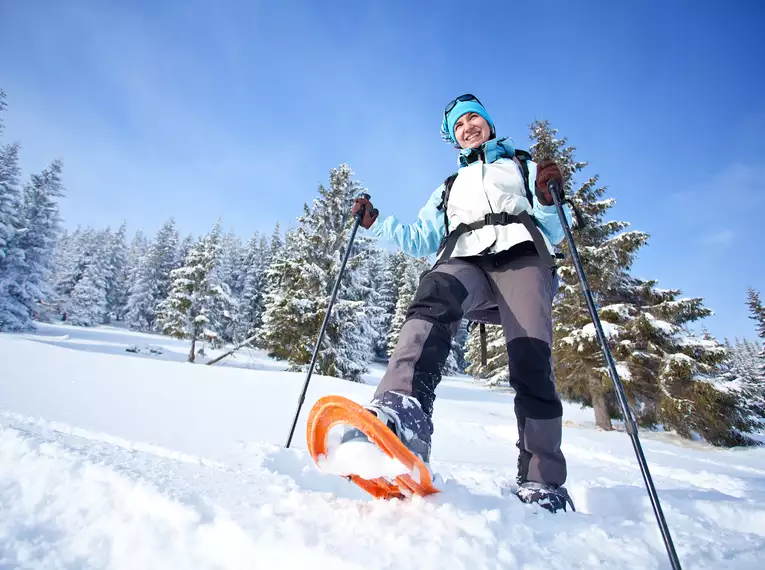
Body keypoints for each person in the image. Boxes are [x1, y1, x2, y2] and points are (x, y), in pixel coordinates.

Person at [347, 94, 574, 513]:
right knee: (435, 292)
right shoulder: (449, 187)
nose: (468, 127)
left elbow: (557, 229)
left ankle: (542, 479)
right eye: (459, 126)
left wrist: (546, 198)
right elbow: (420, 239)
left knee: (531, 361)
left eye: (474, 119)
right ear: (454, 139)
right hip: (464, 257)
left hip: (521, 256)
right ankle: (402, 417)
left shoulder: (519, 166)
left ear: (488, 124)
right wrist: (376, 225)